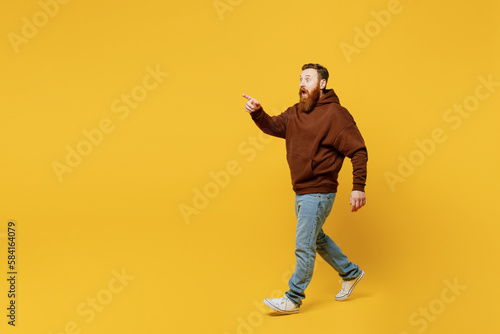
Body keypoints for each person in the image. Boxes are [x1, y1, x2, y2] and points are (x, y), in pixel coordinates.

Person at [242, 63, 368, 314]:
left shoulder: (336, 114)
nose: (302, 83)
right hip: (301, 190)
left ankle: (293, 298)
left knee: (304, 244)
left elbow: (358, 150)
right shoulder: (296, 113)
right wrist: (258, 112)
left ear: (322, 84)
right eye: (300, 78)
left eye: (308, 79)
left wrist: (358, 187)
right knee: (316, 238)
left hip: (319, 191)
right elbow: (274, 126)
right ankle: (351, 273)